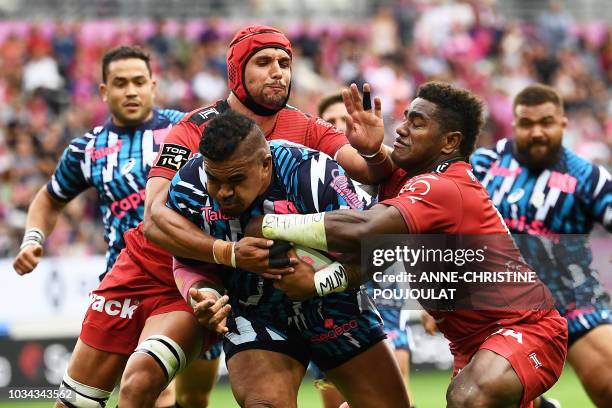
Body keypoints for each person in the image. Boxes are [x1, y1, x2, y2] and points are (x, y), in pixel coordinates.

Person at [249, 82, 569, 408]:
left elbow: (365, 229)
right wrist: (317, 282)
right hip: (471, 345)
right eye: (405, 119)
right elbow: (375, 259)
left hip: (527, 329)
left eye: (417, 123)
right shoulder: (405, 181)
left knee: (468, 398)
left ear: (450, 141)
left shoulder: (443, 186)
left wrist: (269, 224)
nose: (401, 129)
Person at [167, 109, 410, 408]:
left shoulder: (311, 172)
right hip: (255, 313)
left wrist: (321, 282)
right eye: (215, 180)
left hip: (336, 306)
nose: (224, 192)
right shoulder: (188, 187)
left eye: (236, 179)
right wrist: (205, 295)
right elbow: (187, 260)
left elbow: (388, 244)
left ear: (265, 164)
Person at [11, 45, 187, 408]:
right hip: (119, 278)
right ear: (104, 91)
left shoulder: (183, 131)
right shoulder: (87, 149)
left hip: (179, 277)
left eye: (139, 82)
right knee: (81, 400)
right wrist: (32, 238)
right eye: (120, 83)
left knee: (177, 390)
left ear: (153, 85)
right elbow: (48, 199)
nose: (131, 91)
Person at [470, 83, 612, 408]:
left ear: (563, 123)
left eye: (546, 122)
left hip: (573, 300)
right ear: (514, 124)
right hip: (502, 309)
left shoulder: (588, 177)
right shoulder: (484, 164)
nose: (536, 132)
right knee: (480, 398)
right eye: (527, 123)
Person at [314, 92, 414, 408]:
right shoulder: (306, 179)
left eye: (346, 121)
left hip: (384, 299)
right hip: (331, 303)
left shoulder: (380, 169)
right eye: (330, 123)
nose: (340, 129)